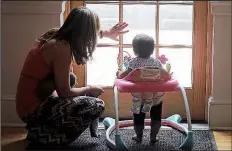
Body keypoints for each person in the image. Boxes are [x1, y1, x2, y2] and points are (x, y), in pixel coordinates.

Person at [15, 6, 129, 146]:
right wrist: (89, 88)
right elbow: (65, 92)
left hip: (29, 103)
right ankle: (46, 137)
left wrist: (106, 33)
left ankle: (42, 128)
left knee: (71, 78)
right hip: (32, 110)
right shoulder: (61, 49)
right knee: (96, 105)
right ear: (85, 33)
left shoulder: (55, 35)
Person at [116, 34, 165, 145]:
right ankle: (153, 136)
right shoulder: (156, 62)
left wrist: (118, 74)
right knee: (156, 115)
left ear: (134, 50)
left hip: (140, 97)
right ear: (152, 49)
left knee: (138, 116)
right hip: (155, 96)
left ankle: (138, 136)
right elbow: (163, 75)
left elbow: (124, 75)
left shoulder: (134, 63)